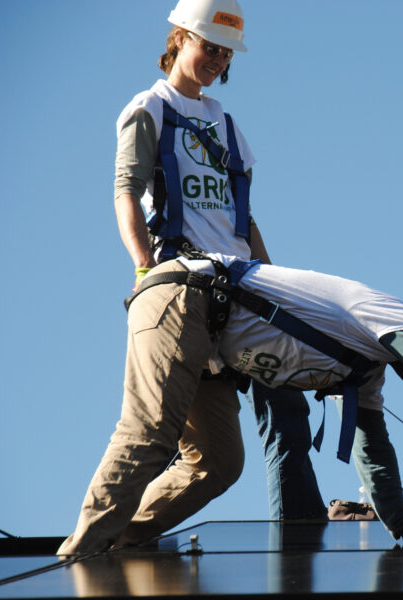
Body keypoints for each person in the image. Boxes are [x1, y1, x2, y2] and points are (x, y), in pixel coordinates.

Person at [57, 256, 403, 555]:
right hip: (187, 299)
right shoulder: (388, 314)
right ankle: (75, 561)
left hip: (208, 343)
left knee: (218, 463)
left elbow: (371, 449)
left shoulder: (364, 367)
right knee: (151, 433)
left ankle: (119, 543)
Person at [113, 0, 326, 522]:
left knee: (233, 451)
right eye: (210, 47)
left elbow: (242, 221)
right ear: (179, 38)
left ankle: (128, 538)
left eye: (226, 54)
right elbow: (126, 191)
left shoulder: (226, 125)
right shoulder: (150, 108)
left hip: (237, 295)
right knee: (156, 435)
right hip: (184, 290)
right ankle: (98, 541)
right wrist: (145, 270)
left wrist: (276, 290)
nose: (217, 60)